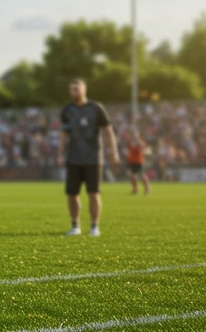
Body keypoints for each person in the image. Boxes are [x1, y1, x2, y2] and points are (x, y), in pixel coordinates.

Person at [56, 78, 118, 236]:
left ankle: (94, 226)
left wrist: (114, 153)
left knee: (93, 193)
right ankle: (75, 225)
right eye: (72, 88)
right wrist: (60, 154)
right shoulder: (67, 110)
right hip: (73, 158)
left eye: (77, 87)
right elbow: (63, 134)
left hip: (93, 158)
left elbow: (108, 131)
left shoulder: (96, 108)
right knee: (72, 194)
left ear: (85, 89)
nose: (74, 90)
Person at [125, 130, 151, 196]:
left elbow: (143, 148)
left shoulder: (139, 142)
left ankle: (147, 189)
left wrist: (138, 140)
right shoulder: (131, 142)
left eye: (135, 135)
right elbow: (129, 149)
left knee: (142, 175)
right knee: (132, 176)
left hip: (138, 161)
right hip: (132, 161)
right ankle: (135, 190)